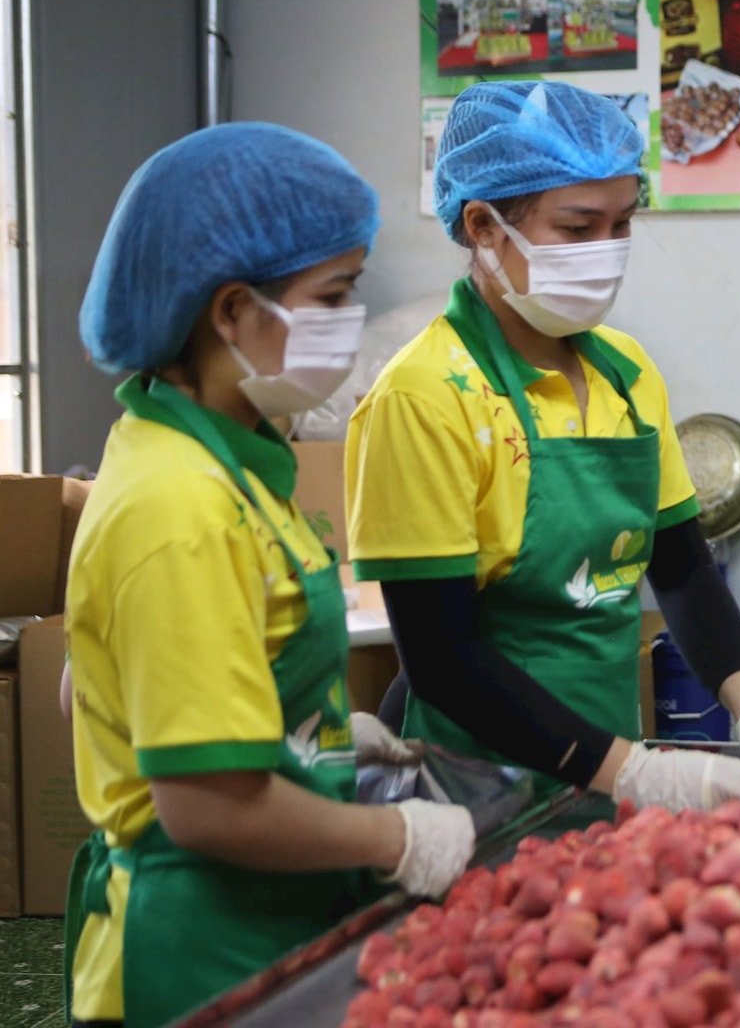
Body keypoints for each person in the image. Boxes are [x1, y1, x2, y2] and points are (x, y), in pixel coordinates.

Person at [346, 81, 740, 811]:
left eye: (622, 223)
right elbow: (442, 658)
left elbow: (680, 570)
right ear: (485, 226)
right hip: (469, 783)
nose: (608, 251)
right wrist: (634, 772)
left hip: (598, 765)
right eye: (578, 228)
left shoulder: (624, 374)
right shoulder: (425, 396)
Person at [65, 124, 474, 1028]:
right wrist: (397, 836)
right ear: (231, 311)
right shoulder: (178, 506)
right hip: (202, 942)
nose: (348, 320)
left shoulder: (231, 458)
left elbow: (85, 691)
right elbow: (209, 809)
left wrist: (309, 732)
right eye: (332, 295)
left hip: (274, 909)